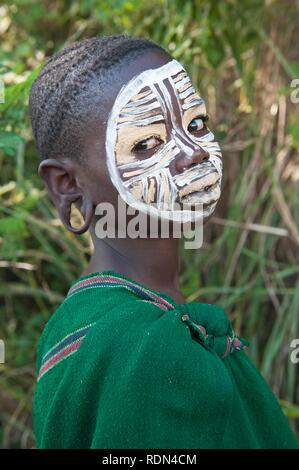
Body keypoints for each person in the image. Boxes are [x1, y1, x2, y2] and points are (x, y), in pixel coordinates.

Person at [29, 34, 298, 449]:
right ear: (67, 185)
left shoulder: (104, 317)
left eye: (196, 124)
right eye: (148, 143)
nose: (194, 151)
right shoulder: (140, 352)